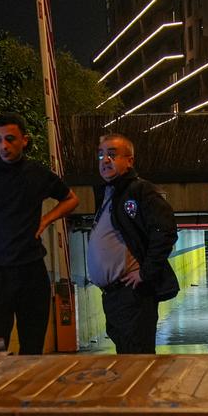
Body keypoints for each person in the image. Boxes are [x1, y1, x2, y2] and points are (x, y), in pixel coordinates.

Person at [0, 113, 79, 354]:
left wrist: (46, 219)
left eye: (10, 139)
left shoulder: (38, 174)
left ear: (24, 140)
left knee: (32, 345)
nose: (3, 146)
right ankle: (2, 390)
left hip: (31, 269)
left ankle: (30, 391)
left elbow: (71, 199)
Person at [88, 133, 179, 354]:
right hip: (114, 296)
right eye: (101, 155)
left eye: (112, 154)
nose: (105, 160)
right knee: (127, 355)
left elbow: (165, 230)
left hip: (133, 294)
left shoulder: (140, 191)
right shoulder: (109, 194)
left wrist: (145, 273)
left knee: (137, 359)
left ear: (129, 161)